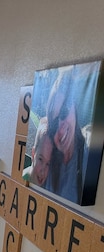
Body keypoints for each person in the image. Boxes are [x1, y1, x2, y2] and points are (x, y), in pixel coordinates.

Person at [43, 68, 89, 203]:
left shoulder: (87, 154)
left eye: (64, 112)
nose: (60, 129)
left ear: (74, 107)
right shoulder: (48, 161)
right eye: (53, 123)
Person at [23, 117, 52, 186]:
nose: (43, 172)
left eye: (48, 164)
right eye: (40, 159)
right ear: (33, 154)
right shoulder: (21, 181)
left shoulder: (48, 186)